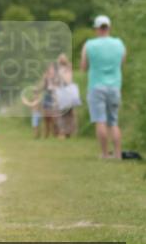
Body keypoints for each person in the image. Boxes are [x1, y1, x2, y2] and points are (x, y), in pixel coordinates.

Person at [81, 15, 126, 160]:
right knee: (113, 121)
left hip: (96, 86)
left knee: (100, 120)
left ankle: (105, 154)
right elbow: (122, 62)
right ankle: (118, 154)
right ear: (109, 27)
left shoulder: (89, 45)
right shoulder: (119, 43)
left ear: (96, 29)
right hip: (114, 86)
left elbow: (83, 67)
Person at [53, 53, 81, 138]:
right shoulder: (61, 70)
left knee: (66, 113)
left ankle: (66, 132)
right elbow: (57, 82)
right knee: (65, 113)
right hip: (62, 93)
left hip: (66, 93)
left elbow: (68, 81)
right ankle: (65, 132)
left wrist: (60, 76)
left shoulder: (67, 69)